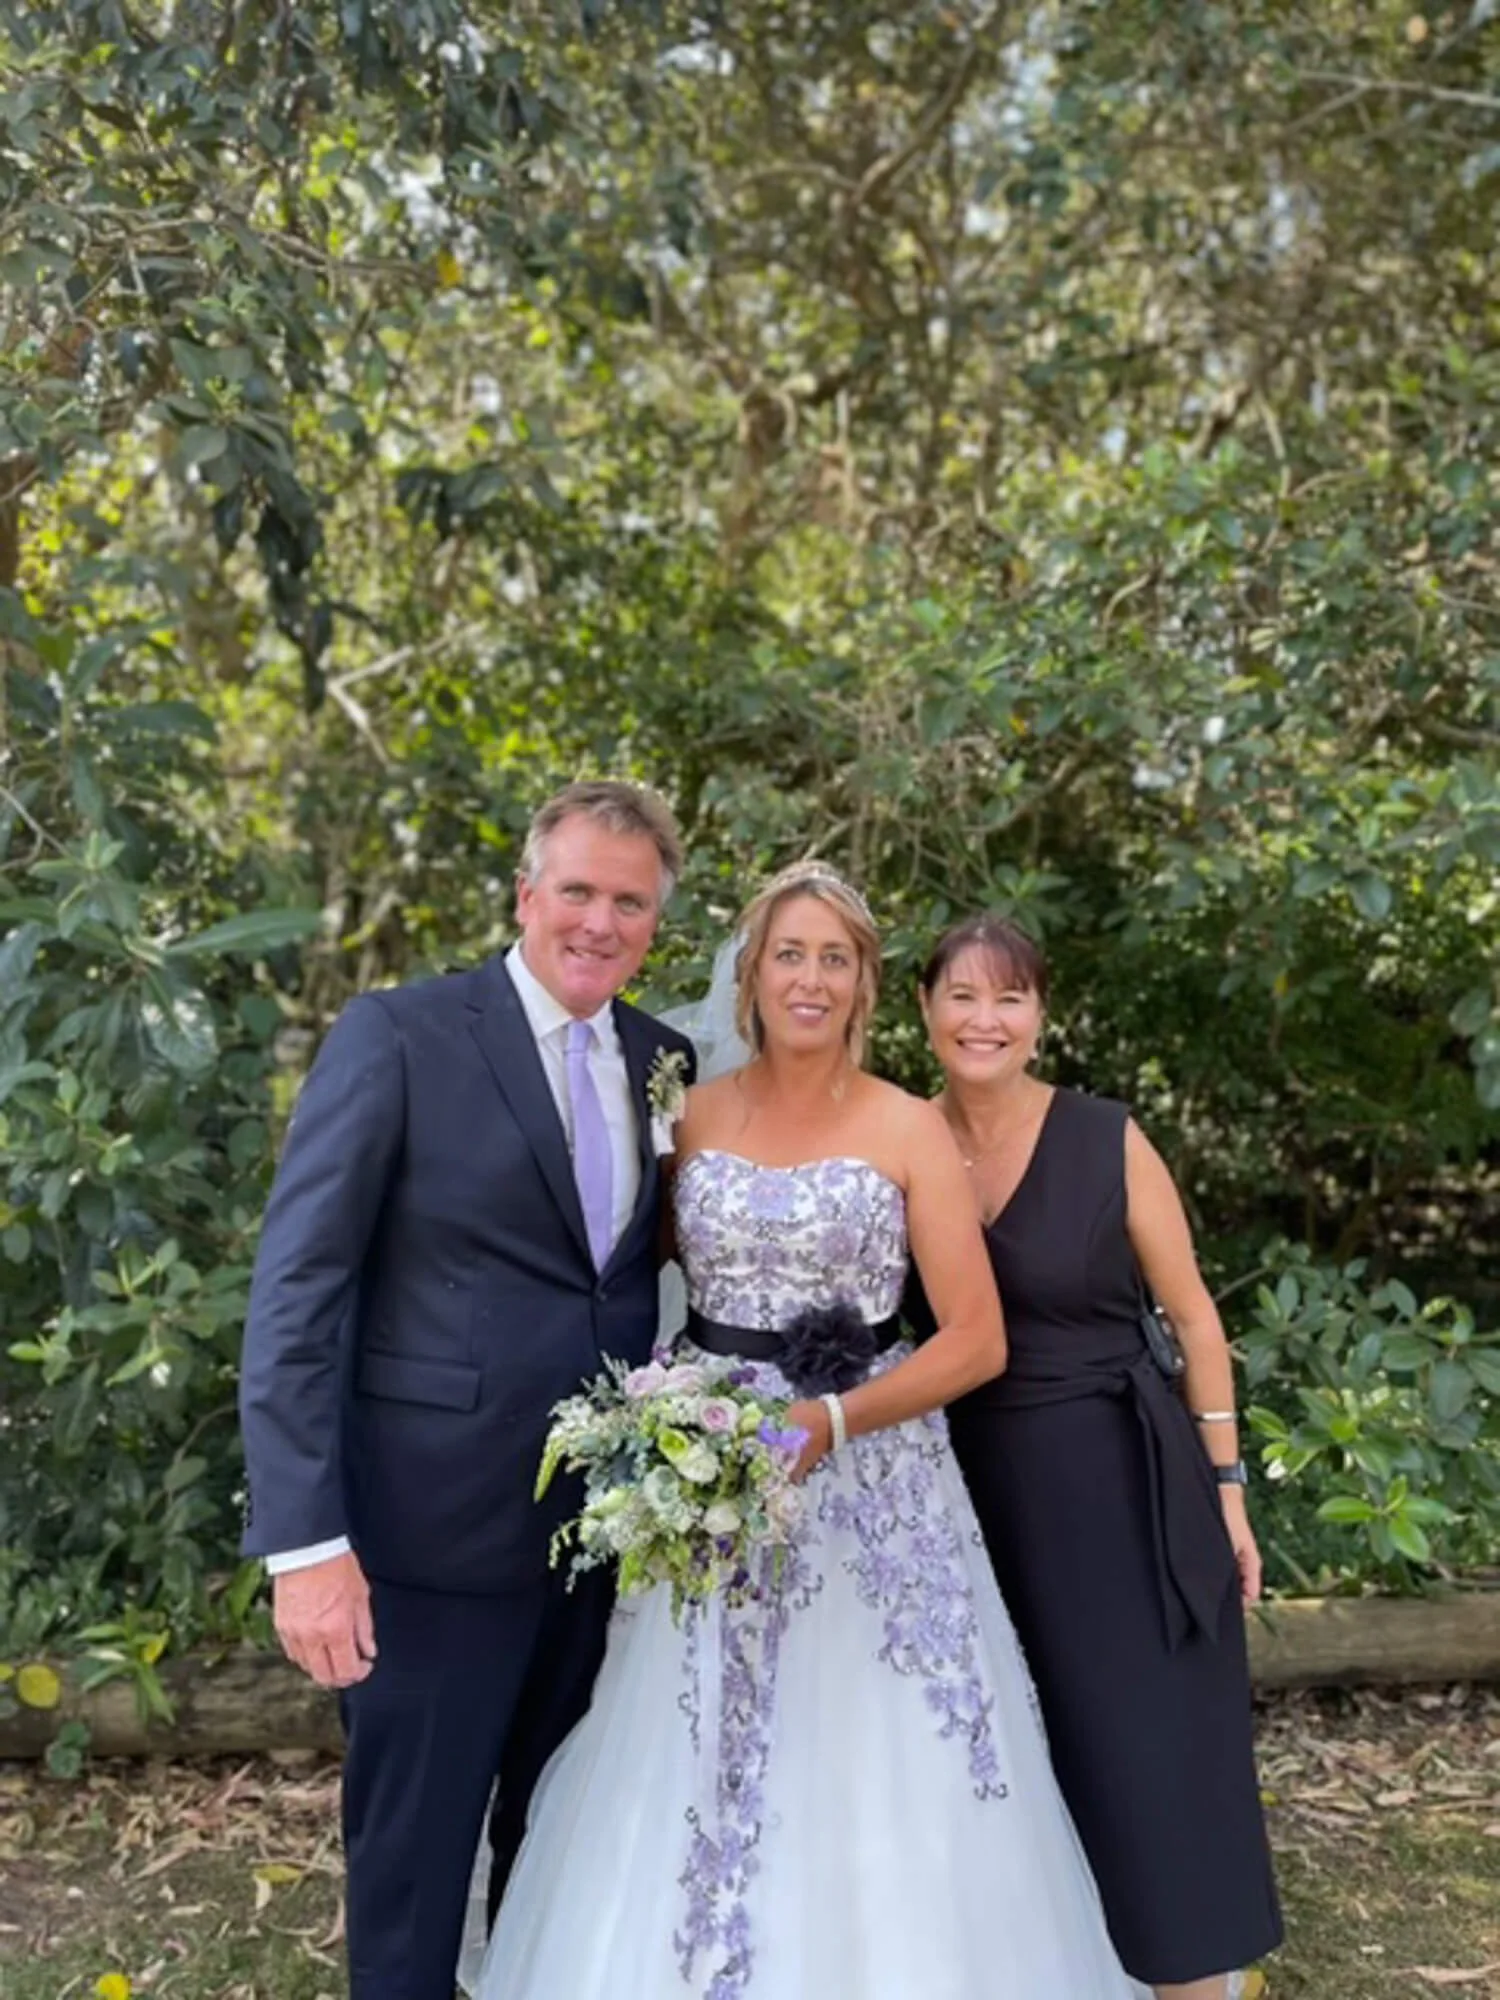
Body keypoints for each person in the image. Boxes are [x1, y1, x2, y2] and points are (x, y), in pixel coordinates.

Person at [471, 863, 1138, 2000]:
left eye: (836, 957)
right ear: (752, 971)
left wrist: (829, 1419)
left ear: (868, 982)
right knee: (692, 1736)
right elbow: (634, 1274)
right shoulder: (688, 1114)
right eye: (791, 953)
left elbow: (975, 1338)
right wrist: (671, 1423)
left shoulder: (908, 1127)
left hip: (871, 1479)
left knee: (883, 1749)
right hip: (709, 1474)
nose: (811, 977)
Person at [238, 779, 696, 2000]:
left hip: (601, 1546)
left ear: (658, 922)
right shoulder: (399, 1035)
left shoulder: (666, 1061)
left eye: (631, 902)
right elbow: (296, 1295)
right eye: (581, 891)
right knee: (413, 1877)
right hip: (425, 1548)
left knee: (559, 1864)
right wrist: (305, 1541)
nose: (601, 922)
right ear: (527, 892)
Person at [912, 912, 1283, 2000]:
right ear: (924, 1007)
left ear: (1040, 1014)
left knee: (1143, 1752)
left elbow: (1197, 1319)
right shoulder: (901, 1136)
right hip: (964, 1493)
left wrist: (1227, 1490)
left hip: (1118, 1481)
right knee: (1011, 1755)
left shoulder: (1104, 1135)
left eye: (1011, 996)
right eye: (965, 995)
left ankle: (1192, 1983)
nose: (987, 1018)